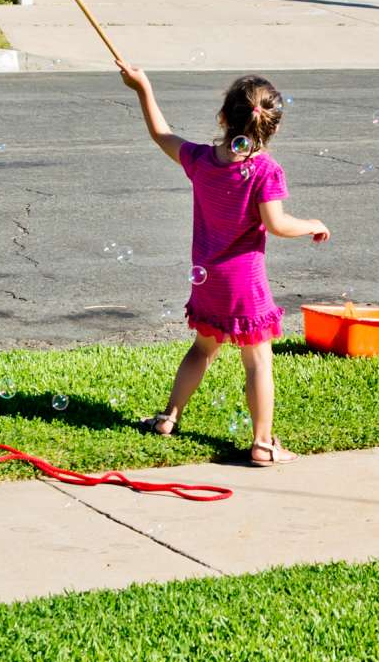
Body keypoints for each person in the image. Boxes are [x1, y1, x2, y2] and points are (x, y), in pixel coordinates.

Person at [119, 67, 329, 465]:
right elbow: (277, 224)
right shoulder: (265, 171)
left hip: (208, 281)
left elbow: (161, 134)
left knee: (202, 350)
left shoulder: (200, 159)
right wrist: (312, 225)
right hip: (244, 285)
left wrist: (143, 88)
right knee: (258, 361)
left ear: (223, 117)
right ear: (273, 127)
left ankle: (169, 417)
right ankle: (264, 443)